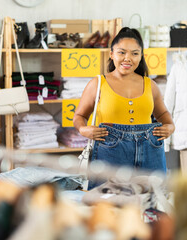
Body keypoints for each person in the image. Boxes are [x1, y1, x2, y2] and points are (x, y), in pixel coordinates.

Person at [73, 27, 175, 187]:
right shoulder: (98, 84)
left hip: (150, 151)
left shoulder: (151, 85)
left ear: (141, 56)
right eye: (122, 52)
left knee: (153, 204)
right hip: (110, 152)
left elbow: (163, 113)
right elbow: (79, 116)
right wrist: (83, 130)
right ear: (111, 54)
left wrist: (170, 127)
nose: (128, 58)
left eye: (135, 53)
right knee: (108, 204)